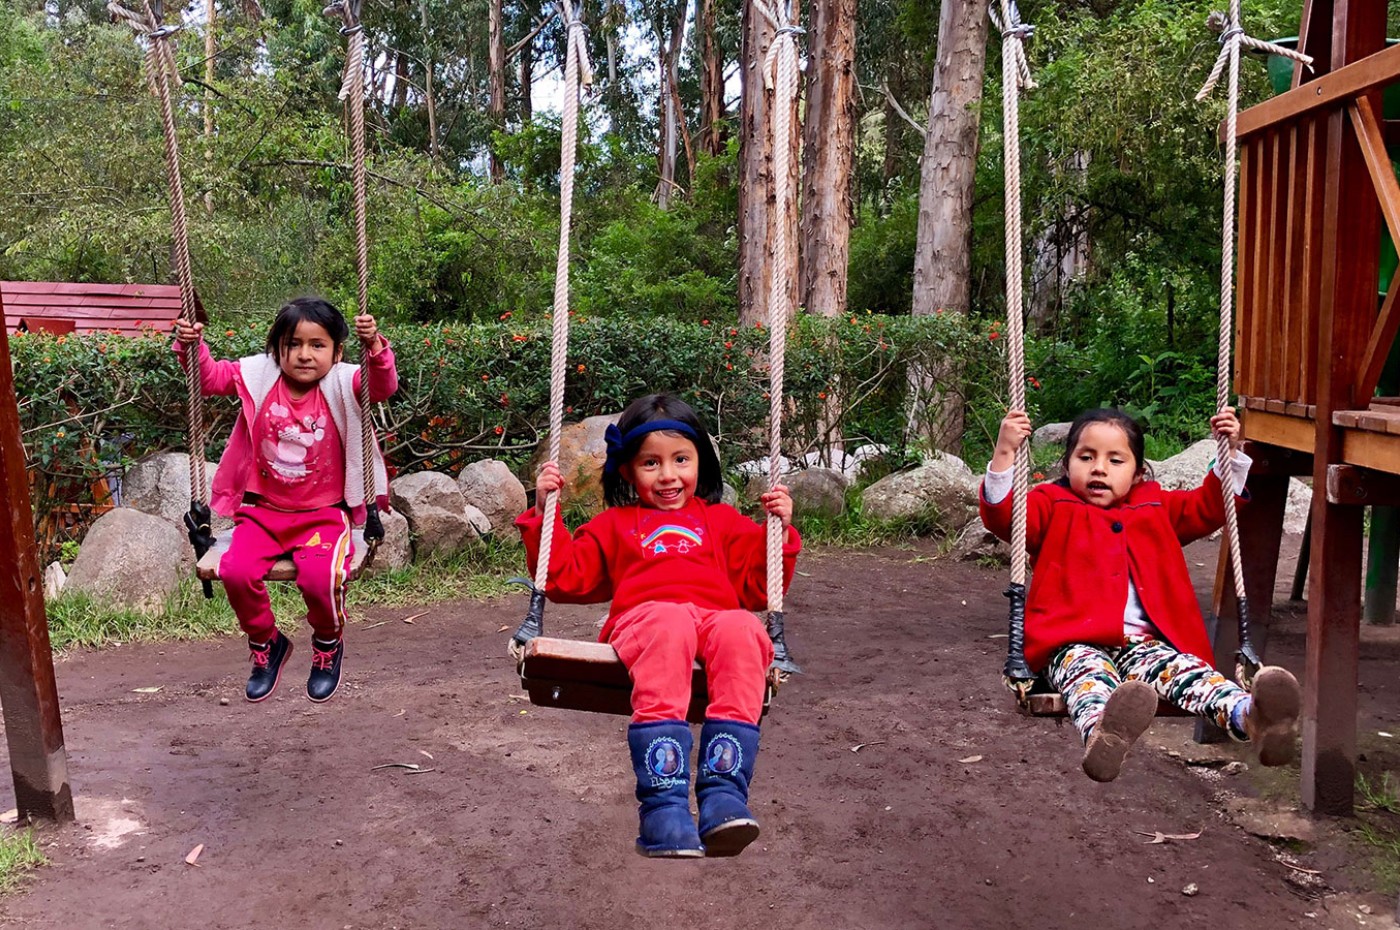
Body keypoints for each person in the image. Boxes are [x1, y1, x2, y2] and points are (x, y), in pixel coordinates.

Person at [517, 393, 800, 858]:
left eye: (680, 460)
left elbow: (759, 589)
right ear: (628, 470)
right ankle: (663, 809)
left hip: (713, 622)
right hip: (645, 622)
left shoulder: (722, 521)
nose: (668, 476)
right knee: (670, 622)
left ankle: (723, 798)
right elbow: (563, 576)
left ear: (699, 463)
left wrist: (780, 533)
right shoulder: (615, 525)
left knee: (744, 630)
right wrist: (546, 510)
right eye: (651, 463)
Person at [980, 406, 1301, 782]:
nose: (1099, 468)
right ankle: (1107, 734)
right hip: (1072, 643)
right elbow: (1005, 517)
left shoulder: (1156, 506)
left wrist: (1229, 452)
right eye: (1086, 457)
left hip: (1145, 644)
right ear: (1067, 466)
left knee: (1190, 674)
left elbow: (1211, 506)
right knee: (1090, 682)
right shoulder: (1051, 505)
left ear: (1137, 473)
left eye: (1115, 460)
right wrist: (1005, 451)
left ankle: (1251, 715)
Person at [173, 296, 396, 704]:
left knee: (320, 579)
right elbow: (208, 379)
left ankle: (327, 644)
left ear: (337, 351)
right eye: (293, 344)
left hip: (323, 516)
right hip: (262, 514)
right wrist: (192, 346)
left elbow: (382, 387)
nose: (305, 354)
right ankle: (266, 644)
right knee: (236, 572)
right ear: (277, 348)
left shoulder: (347, 381)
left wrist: (375, 348)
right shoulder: (259, 376)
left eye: (317, 345)